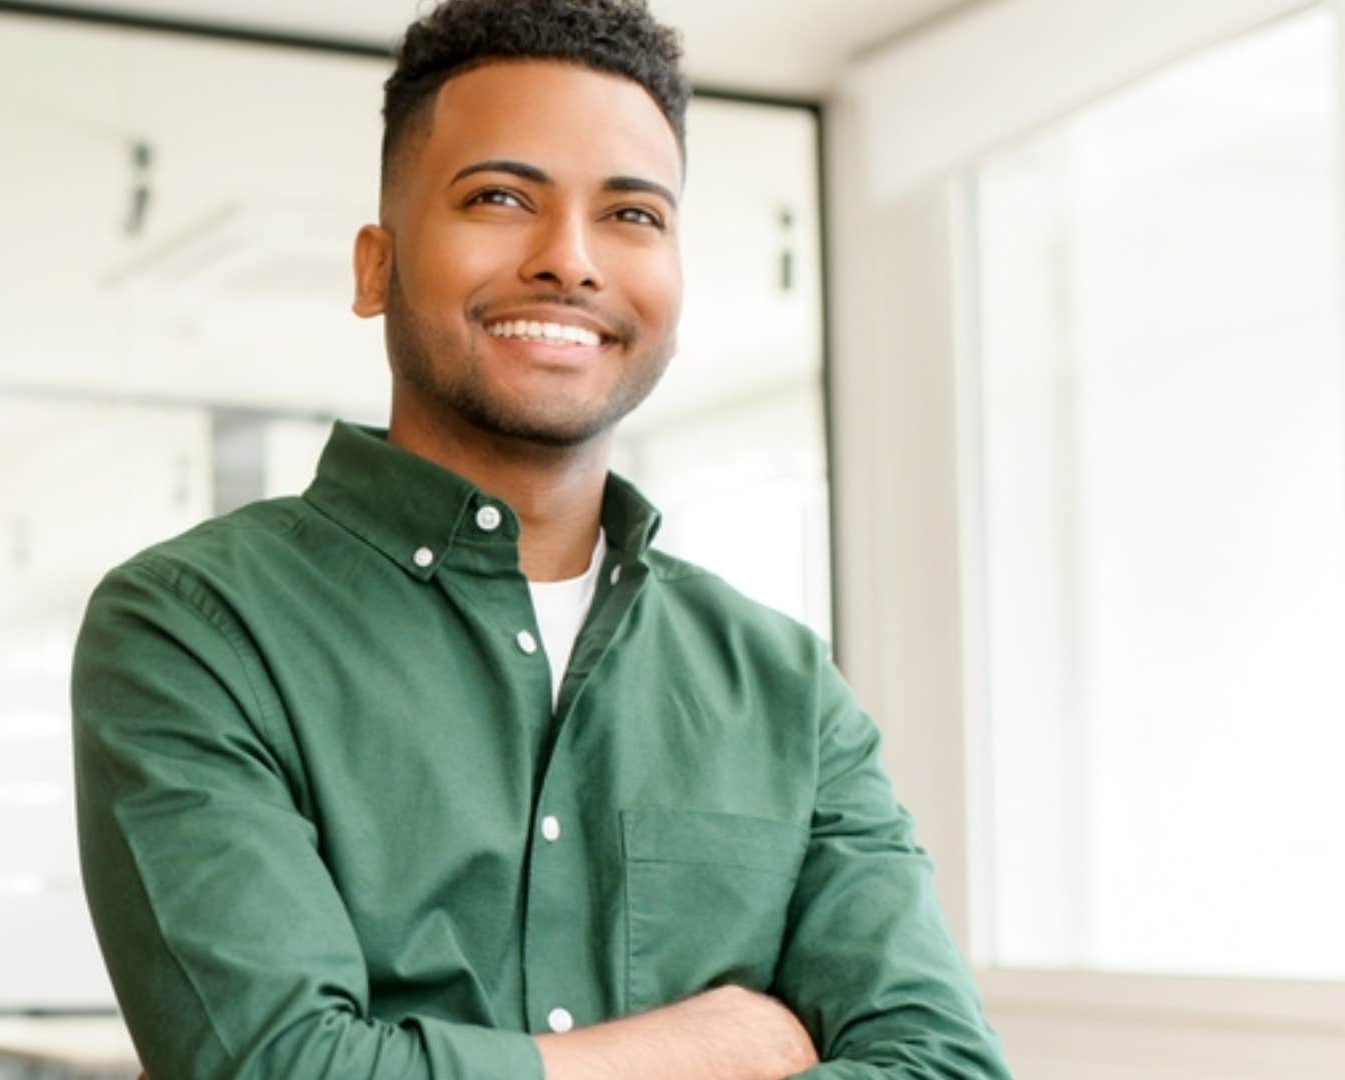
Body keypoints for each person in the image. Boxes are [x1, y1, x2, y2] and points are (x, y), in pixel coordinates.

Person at [73, 1, 1012, 1076]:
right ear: (375, 267)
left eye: (633, 215)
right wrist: (711, 1047)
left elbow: (944, 1062)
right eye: (501, 197)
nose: (570, 260)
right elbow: (283, 1067)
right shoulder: (198, 629)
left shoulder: (783, 686)